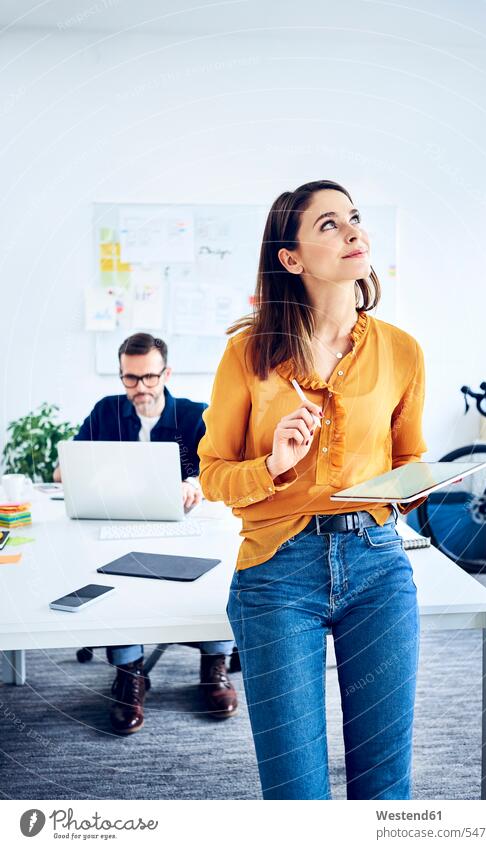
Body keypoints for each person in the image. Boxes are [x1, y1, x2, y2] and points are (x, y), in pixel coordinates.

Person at [198, 180, 427, 800]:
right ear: (291, 259)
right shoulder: (247, 352)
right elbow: (213, 472)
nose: (353, 232)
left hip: (378, 567)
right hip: (276, 573)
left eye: (354, 218)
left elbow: (409, 460)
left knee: (385, 790)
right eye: (329, 224)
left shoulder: (402, 351)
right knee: (296, 793)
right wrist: (272, 465)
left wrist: (414, 487)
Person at [54, 332, 237, 733]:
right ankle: (130, 671)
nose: (140, 388)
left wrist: (195, 483)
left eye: (149, 378)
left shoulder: (193, 415)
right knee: (111, 578)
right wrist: (84, 472)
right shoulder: (106, 411)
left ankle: (215, 663)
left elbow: (218, 467)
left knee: (221, 570)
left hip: (188, 527)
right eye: (130, 379)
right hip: (121, 527)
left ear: (166, 372)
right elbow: (63, 471)